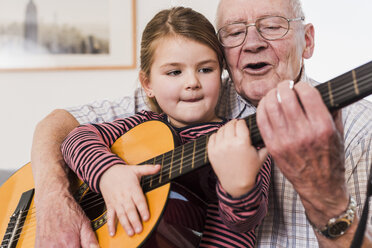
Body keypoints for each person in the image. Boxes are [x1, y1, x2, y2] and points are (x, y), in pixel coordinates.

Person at [31, 0, 372, 247]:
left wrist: (243, 191)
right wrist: (79, 187)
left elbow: (238, 225)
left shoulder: (360, 127)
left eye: (271, 25)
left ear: (307, 40)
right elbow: (63, 129)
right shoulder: (163, 109)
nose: (252, 43)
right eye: (235, 32)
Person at [58, 6, 270, 247]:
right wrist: (109, 174)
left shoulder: (238, 138)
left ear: (221, 72)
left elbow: (243, 223)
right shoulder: (142, 125)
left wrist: (239, 187)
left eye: (205, 69)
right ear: (147, 83)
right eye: (174, 72)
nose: (192, 82)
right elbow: (75, 138)